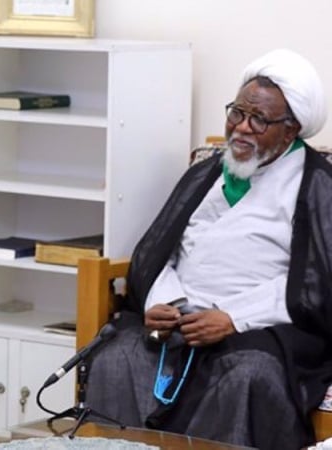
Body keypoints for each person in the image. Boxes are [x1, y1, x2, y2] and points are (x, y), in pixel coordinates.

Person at [84, 48, 332, 450]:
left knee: (247, 375)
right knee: (116, 357)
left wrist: (234, 318)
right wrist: (163, 302)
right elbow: (161, 252)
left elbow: (315, 285)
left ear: (291, 130)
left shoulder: (317, 186)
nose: (241, 128)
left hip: (261, 329)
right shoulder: (205, 173)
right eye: (237, 112)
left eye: (259, 119)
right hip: (181, 321)